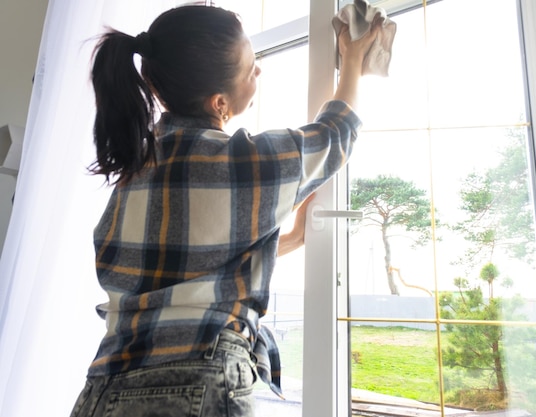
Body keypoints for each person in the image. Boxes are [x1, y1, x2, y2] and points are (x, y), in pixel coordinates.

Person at [70, 4, 382, 417]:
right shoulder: (243, 162)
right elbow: (335, 134)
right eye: (252, 67)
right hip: (197, 378)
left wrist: (285, 241)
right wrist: (354, 61)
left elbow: (183, 266)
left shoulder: (135, 170)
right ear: (219, 102)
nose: (259, 72)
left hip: (104, 387)